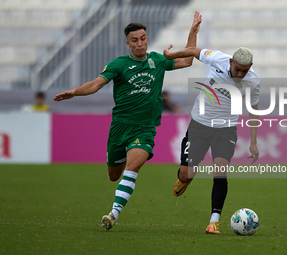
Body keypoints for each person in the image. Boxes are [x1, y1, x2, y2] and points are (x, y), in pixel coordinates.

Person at [53, 11, 202, 231]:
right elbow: (96, 84)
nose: (140, 43)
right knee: (114, 175)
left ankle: (113, 214)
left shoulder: (158, 60)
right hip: (119, 128)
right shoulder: (119, 64)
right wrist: (75, 92)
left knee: (133, 167)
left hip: (144, 128)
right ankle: (118, 170)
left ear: (147, 39)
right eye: (135, 40)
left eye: (143, 38)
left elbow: (188, 60)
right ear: (127, 43)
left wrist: (192, 31)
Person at [164, 46, 260, 234]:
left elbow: (254, 109)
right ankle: (187, 178)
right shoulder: (217, 59)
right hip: (199, 125)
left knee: (220, 171)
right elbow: (192, 50)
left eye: (245, 71)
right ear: (231, 62)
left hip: (225, 129)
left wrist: (254, 142)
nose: (240, 74)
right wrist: (170, 55)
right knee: (185, 174)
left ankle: (214, 221)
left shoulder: (253, 81)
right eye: (237, 69)